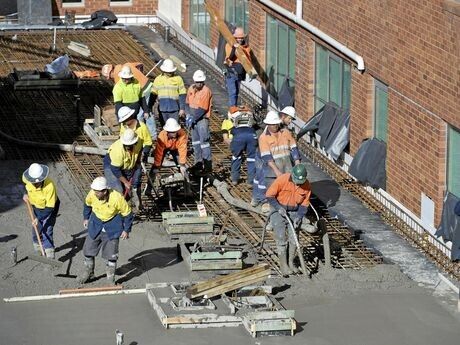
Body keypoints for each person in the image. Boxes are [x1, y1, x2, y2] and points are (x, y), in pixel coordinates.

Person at [79, 176, 133, 284]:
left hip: (112, 227)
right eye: (94, 191)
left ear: (104, 191)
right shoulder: (92, 194)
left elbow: (127, 214)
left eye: (97, 192)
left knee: (111, 255)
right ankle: (89, 272)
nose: (94, 193)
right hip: (95, 224)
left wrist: (126, 230)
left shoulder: (117, 198)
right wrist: (86, 218)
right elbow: (87, 205)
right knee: (88, 250)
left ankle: (110, 278)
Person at [266, 164, 311, 276]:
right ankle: (283, 265)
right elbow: (269, 195)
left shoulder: (306, 185)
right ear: (292, 176)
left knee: (294, 238)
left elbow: (305, 204)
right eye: (297, 181)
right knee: (281, 237)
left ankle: (291, 262)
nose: (298, 184)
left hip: (295, 211)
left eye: (301, 183)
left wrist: (299, 217)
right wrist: (278, 208)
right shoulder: (282, 179)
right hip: (278, 209)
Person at [252, 111, 301, 213]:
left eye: (276, 124)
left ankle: (290, 208)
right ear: (268, 124)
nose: (275, 126)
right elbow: (267, 157)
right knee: (271, 190)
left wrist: (297, 163)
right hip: (272, 169)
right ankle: (269, 208)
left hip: (287, 166)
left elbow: (294, 148)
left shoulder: (286, 132)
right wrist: (277, 172)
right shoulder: (263, 137)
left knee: (289, 188)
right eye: (272, 124)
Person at [22, 163, 60, 258]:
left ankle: (50, 253)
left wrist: (39, 218)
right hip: (36, 206)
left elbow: (49, 208)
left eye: (37, 183)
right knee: (36, 227)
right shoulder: (26, 178)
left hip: (49, 208)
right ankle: (38, 249)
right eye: (33, 182)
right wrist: (25, 194)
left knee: (47, 229)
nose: (35, 184)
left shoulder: (49, 186)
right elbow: (25, 186)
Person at [103, 128, 143, 211]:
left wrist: (138, 160)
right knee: (118, 190)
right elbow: (115, 169)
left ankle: (135, 205)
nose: (128, 147)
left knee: (135, 184)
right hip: (111, 166)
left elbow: (140, 150)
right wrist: (125, 182)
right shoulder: (117, 151)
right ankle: (114, 208)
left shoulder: (138, 142)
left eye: (130, 145)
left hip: (128, 164)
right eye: (126, 145)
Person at [113, 65, 157, 140]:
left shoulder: (136, 83)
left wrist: (146, 110)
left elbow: (141, 98)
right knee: (125, 131)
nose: (125, 80)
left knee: (135, 129)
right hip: (124, 113)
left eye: (127, 79)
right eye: (124, 79)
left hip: (134, 112)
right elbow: (118, 104)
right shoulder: (118, 87)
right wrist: (124, 116)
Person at [185, 69, 213, 173]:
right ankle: (198, 163)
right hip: (193, 118)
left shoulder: (206, 91)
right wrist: (188, 115)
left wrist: (193, 117)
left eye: (201, 82)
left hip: (202, 119)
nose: (199, 84)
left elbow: (203, 108)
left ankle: (207, 167)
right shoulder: (191, 88)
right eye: (197, 82)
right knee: (195, 142)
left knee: (204, 143)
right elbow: (187, 103)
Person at [227, 105, 257, 185]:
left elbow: (230, 122)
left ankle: (235, 179)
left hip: (238, 135)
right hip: (251, 134)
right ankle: (250, 181)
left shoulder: (232, 113)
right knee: (251, 159)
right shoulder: (249, 112)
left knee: (236, 157)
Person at [151, 58, 187, 125]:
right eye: (168, 72)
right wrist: (149, 108)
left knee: (174, 127)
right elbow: (153, 94)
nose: (170, 73)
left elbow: (182, 94)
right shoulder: (158, 79)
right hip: (162, 109)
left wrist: (182, 109)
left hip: (174, 109)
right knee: (165, 128)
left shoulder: (178, 79)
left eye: (171, 71)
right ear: (164, 70)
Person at [224, 27, 251, 107]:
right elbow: (229, 58)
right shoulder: (229, 45)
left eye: (241, 38)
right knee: (233, 92)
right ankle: (233, 109)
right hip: (231, 72)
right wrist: (234, 48)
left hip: (239, 74)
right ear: (234, 37)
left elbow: (248, 61)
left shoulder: (246, 47)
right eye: (237, 38)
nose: (239, 39)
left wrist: (249, 72)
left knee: (236, 92)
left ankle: (234, 107)